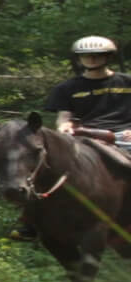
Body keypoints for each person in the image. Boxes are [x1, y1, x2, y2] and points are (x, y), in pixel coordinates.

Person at [12, 35, 131, 239]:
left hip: (124, 134)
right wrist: (64, 128)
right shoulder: (67, 88)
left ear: (108, 57)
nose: (91, 60)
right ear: (78, 59)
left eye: (97, 55)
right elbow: (64, 117)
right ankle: (29, 220)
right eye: (86, 56)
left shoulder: (126, 82)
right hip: (83, 135)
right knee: (44, 165)